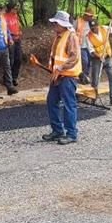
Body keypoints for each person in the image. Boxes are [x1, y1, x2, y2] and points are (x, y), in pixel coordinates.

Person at [43, 10, 82, 145]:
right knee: (51, 102)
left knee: (69, 104)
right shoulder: (59, 36)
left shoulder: (71, 37)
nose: (54, 25)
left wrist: (61, 68)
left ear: (63, 24)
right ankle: (57, 130)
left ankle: (71, 134)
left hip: (68, 76)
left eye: (56, 23)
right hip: (57, 76)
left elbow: (74, 57)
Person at [86, 11, 112, 105]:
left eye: (95, 27)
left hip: (108, 58)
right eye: (92, 28)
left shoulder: (104, 28)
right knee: (95, 80)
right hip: (97, 60)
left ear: (98, 25)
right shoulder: (88, 37)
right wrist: (99, 56)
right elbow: (91, 51)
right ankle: (93, 99)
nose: (94, 29)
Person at [3, 2, 24, 86]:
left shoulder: (16, 16)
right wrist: (9, 38)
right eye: (14, 8)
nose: (16, 10)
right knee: (10, 60)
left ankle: (14, 77)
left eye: (17, 8)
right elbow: (4, 29)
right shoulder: (5, 17)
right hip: (10, 39)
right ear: (10, 9)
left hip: (17, 39)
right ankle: (7, 78)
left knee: (18, 59)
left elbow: (18, 26)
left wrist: (19, 31)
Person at [75, 7, 93, 84]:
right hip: (80, 45)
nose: (91, 17)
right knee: (85, 61)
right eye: (90, 16)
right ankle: (83, 77)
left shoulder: (91, 23)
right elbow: (72, 31)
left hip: (89, 45)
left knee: (89, 62)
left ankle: (86, 77)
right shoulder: (78, 21)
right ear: (85, 15)